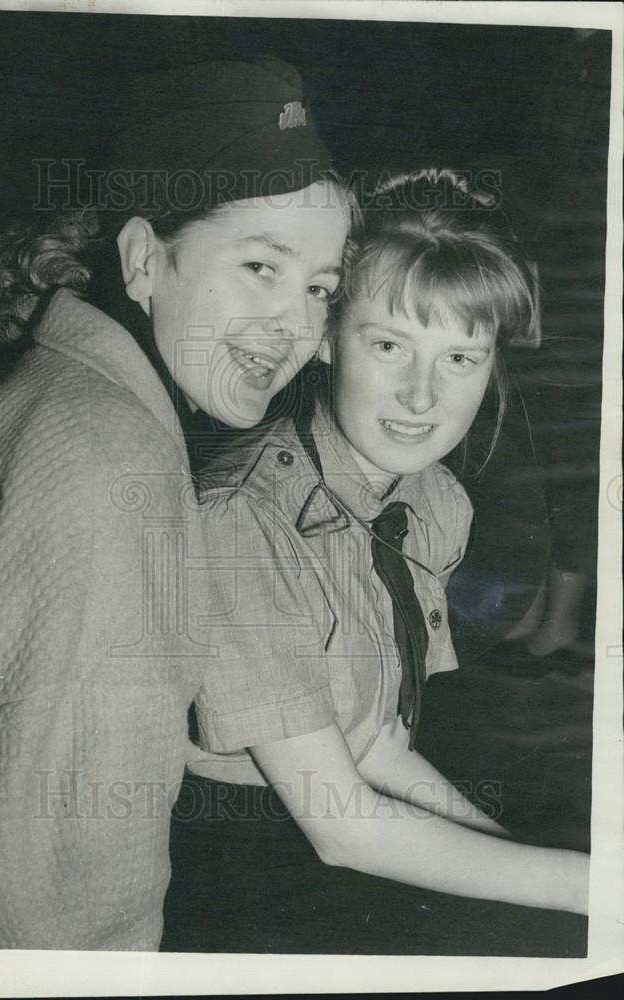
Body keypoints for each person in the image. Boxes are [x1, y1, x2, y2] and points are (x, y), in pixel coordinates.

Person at [0, 57, 352, 950]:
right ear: (145, 259)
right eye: (260, 266)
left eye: (320, 288)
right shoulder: (113, 459)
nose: (298, 329)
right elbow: (50, 903)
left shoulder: (62, 399)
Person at [161, 170, 590, 956]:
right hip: (228, 868)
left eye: (460, 357)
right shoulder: (242, 519)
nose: (421, 396)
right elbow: (341, 827)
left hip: (340, 827)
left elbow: (376, 742)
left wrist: (535, 862)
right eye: (389, 345)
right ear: (326, 338)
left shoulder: (431, 502)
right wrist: (585, 888)